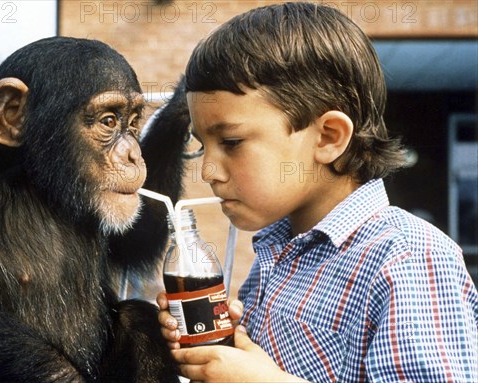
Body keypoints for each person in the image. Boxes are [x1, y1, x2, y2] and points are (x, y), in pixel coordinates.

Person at [156, 3, 478, 382]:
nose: (208, 170)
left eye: (231, 141)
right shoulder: (274, 255)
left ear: (328, 138)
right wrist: (223, 348)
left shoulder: (409, 260)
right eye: (201, 145)